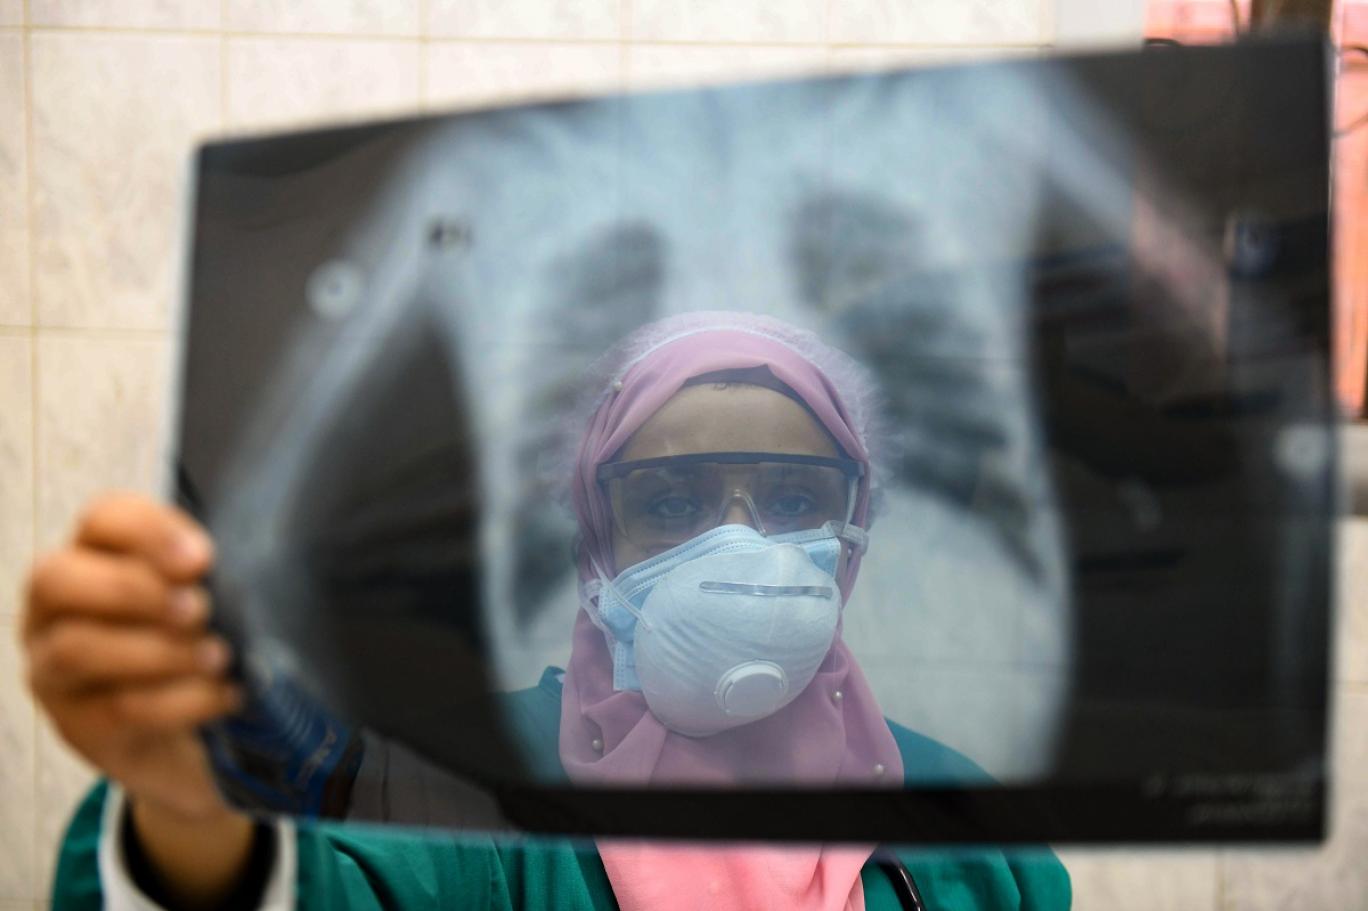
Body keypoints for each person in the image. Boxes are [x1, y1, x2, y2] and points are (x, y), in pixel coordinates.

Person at [25, 311, 1071, 910]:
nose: (743, 547)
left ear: (854, 535)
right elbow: (304, 885)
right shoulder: (461, 786)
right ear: (595, 544)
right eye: (672, 503)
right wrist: (192, 811)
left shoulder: (967, 830)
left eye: (796, 500)